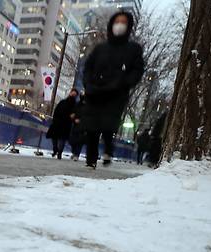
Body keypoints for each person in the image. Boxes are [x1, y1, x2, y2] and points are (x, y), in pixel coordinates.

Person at [81, 11, 145, 169]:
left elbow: (137, 71)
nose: (119, 25)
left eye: (123, 22)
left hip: (116, 93)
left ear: (128, 26)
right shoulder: (100, 48)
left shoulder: (133, 49)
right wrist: (88, 84)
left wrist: (123, 83)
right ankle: (91, 159)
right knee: (92, 126)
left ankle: (108, 150)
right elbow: (87, 67)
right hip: (95, 92)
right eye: (117, 21)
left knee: (108, 125)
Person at [47, 88, 78, 160]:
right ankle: (55, 149)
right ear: (70, 93)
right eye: (72, 93)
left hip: (66, 124)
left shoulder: (75, 105)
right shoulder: (62, 102)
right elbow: (56, 110)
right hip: (58, 122)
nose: (73, 95)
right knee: (54, 137)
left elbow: (75, 114)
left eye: (74, 94)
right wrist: (54, 119)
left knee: (62, 139)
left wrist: (73, 117)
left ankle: (59, 152)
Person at [69, 93, 87, 161]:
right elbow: (73, 113)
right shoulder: (77, 104)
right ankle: (74, 152)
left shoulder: (88, 107)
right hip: (75, 125)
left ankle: (77, 154)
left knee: (80, 141)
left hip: (83, 126)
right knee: (73, 141)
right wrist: (74, 119)